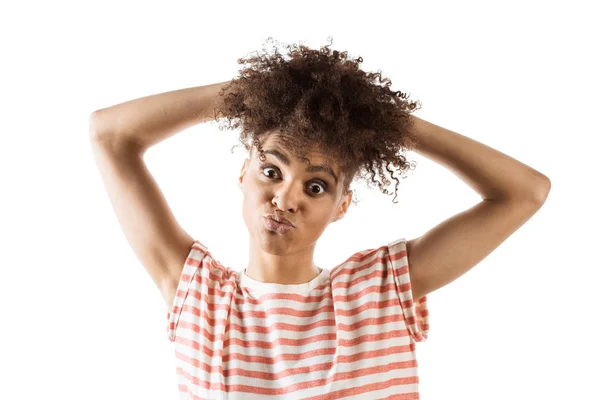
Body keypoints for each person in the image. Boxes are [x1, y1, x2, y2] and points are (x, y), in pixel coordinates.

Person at [89, 38, 551, 399]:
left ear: (341, 206)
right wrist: (248, 94)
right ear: (243, 174)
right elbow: (109, 134)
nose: (286, 199)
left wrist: (384, 121)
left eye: (316, 186)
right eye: (271, 171)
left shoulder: (380, 291)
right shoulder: (199, 296)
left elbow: (524, 193)